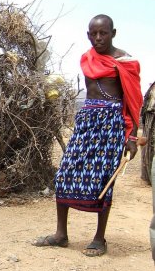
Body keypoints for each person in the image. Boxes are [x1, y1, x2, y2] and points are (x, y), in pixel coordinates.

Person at [33, 14, 143, 256]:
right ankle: (61, 234)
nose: (98, 38)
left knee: (104, 180)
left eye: (103, 33)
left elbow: (133, 102)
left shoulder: (125, 62)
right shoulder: (87, 58)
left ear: (113, 33)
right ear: (87, 35)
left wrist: (132, 138)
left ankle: (99, 238)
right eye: (93, 33)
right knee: (64, 174)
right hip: (86, 123)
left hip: (111, 126)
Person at [141, 82, 155, 183]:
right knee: (150, 149)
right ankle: (150, 176)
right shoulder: (153, 87)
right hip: (151, 120)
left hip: (150, 119)